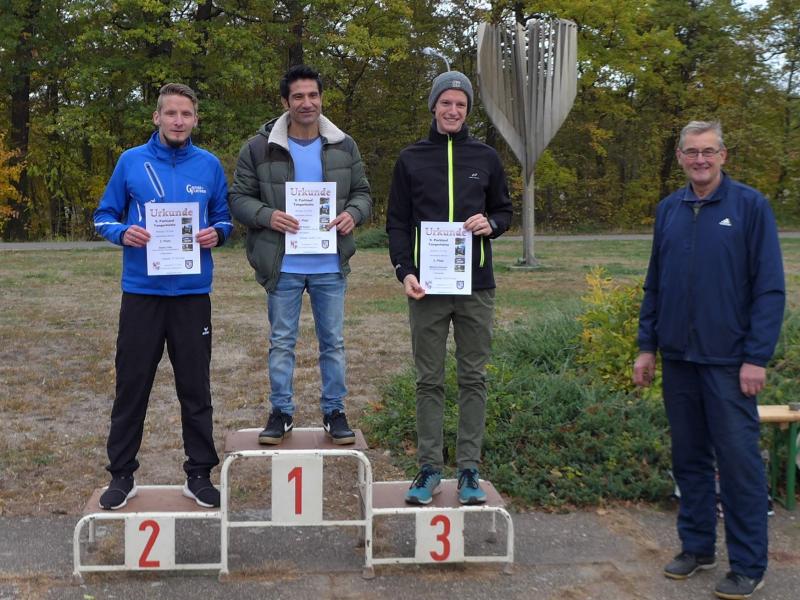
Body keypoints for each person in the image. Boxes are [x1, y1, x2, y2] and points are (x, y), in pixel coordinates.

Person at [633, 121, 785, 599]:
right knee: (690, 459)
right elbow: (655, 283)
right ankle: (697, 548)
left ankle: (748, 566)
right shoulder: (669, 210)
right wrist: (647, 346)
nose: (700, 160)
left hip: (730, 363)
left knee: (739, 466)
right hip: (679, 358)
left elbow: (770, 289)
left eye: (708, 151)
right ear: (680, 157)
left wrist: (756, 357)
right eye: (691, 152)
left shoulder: (750, 207)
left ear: (723, 155)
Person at [93, 83, 233, 509]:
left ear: (195, 120)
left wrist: (217, 234)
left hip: (192, 295)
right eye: (170, 113)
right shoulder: (131, 161)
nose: (178, 121)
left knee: (196, 387)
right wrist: (123, 233)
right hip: (142, 294)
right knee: (132, 385)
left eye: (186, 114)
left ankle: (199, 474)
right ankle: (122, 475)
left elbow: (224, 219)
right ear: (156, 117)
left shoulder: (209, 165)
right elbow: (103, 216)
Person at [386, 71, 513, 505]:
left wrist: (491, 223)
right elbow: (397, 222)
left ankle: (469, 470)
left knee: (473, 377)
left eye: (460, 104)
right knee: (429, 379)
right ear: (434, 106)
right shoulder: (411, 159)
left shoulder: (487, 157)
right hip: (427, 287)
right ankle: (429, 469)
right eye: (446, 103)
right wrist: (404, 270)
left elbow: (504, 211)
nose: (453, 110)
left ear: (467, 110)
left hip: (476, 286)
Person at [229, 65, 371, 445]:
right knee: (281, 342)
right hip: (283, 265)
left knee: (333, 342)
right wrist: (267, 216)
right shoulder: (258, 147)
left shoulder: (344, 145)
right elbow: (238, 198)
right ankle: (281, 412)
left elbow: (363, 194)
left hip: (329, 264)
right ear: (285, 102)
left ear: (321, 98)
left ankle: (334, 412)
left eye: (313, 95)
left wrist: (352, 214)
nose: (307, 103)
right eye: (298, 96)